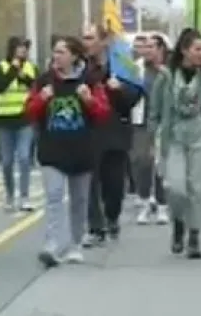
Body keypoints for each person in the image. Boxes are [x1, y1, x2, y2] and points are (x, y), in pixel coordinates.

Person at [23, 36, 112, 267]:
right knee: (53, 197)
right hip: (52, 149)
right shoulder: (45, 81)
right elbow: (29, 112)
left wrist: (89, 100)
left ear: (74, 55)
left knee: (79, 200)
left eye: (62, 52)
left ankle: (75, 244)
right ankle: (51, 244)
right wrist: (41, 100)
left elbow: (103, 114)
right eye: (55, 52)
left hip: (82, 149)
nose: (57, 56)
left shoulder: (89, 81)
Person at [150, 28, 201, 259]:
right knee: (176, 188)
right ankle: (178, 223)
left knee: (200, 188)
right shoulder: (165, 76)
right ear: (184, 50)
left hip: (199, 134)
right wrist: (154, 135)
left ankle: (194, 233)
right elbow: (154, 110)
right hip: (173, 135)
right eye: (197, 49)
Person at [84, 25, 144, 244]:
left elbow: (135, 96)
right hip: (88, 133)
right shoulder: (81, 67)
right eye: (84, 38)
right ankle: (95, 227)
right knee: (89, 181)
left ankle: (112, 217)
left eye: (90, 38)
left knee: (114, 183)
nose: (86, 42)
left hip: (115, 131)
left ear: (104, 41)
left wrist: (119, 89)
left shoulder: (121, 64)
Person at [0, 37, 38, 212]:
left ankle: (24, 197)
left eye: (25, 48)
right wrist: (13, 70)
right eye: (20, 48)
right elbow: (0, 86)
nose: (23, 52)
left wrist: (23, 76)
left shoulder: (31, 68)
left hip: (25, 119)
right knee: (7, 162)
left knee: (25, 157)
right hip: (5, 120)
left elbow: (35, 86)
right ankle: (10, 195)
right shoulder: (1, 67)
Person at [134, 34, 170, 225]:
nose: (146, 51)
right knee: (142, 161)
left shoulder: (168, 71)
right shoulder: (137, 68)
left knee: (161, 164)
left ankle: (162, 205)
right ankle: (145, 202)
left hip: (164, 122)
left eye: (151, 47)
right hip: (141, 121)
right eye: (144, 47)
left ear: (161, 49)